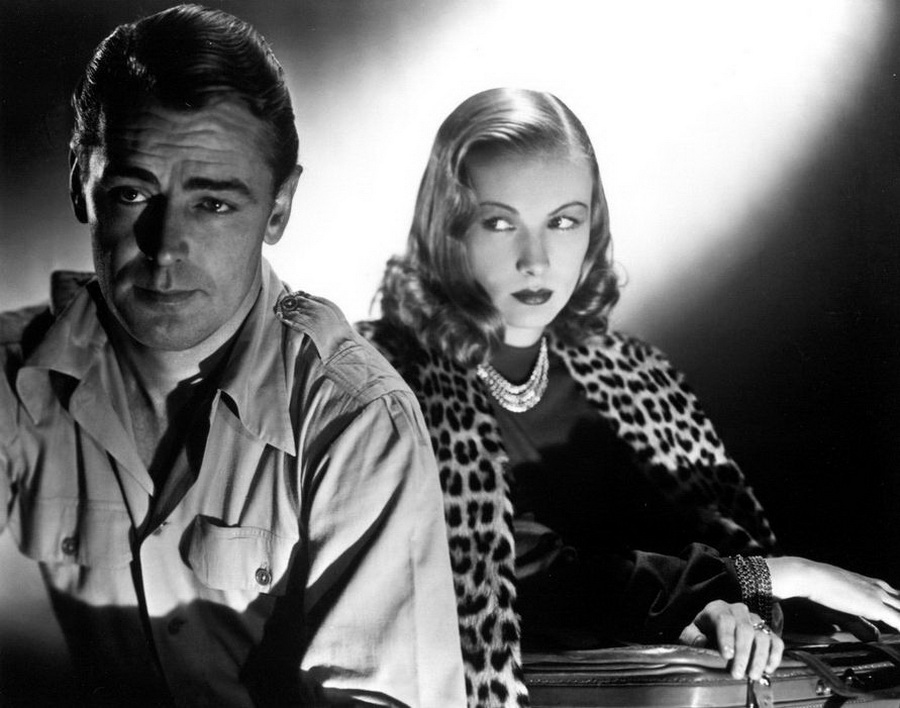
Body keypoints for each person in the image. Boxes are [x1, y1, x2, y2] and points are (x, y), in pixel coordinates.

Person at [350, 88, 900, 707]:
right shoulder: (382, 377)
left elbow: (727, 547)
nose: (536, 259)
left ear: (593, 227)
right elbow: (514, 574)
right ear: (448, 227)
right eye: (500, 223)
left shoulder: (636, 375)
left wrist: (723, 611)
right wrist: (775, 577)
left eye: (564, 221)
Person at [0, 6, 465, 706]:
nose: (165, 247)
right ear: (79, 185)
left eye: (213, 204)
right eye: (132, 193)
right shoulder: (14, 381)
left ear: (278, 209)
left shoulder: (355, 419)